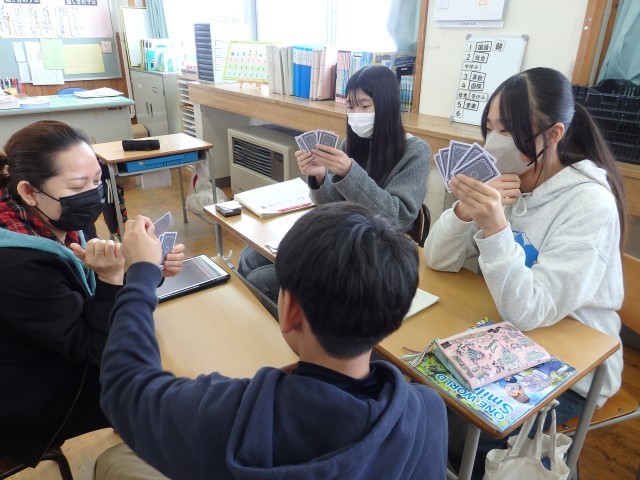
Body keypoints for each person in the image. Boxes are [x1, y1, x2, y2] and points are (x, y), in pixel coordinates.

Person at [95, 202, 448, 480]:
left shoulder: (226, 417)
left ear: (290, 310)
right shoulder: (429, 412)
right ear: (395, 315)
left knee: (114, 462)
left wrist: (140, 274)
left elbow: (125, 386)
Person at [424, 67, 626, 478]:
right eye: (489, 127)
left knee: (460, 431)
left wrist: (496, 228)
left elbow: (530, 310)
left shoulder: (589, 204)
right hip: (506, 335)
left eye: (507, 130)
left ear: (553, 135)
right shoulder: (507, 181)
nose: (492, 141)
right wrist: (463, 211)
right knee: (420, 395)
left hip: (574, 366)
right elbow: (437, 259)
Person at [0, 120, 185, 467]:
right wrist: (117, 277)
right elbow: (92, 347)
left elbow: (89, 283)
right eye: (78, 185)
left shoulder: (62, 215)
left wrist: (146, 269)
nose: (94, 193)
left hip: (60, 348)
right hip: (35, 394)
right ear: (28, 191)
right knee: (155, 389)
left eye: (98, 180)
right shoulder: (16, 265)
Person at [238, 65, 431, 303]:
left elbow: (398, 218)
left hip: (375, 254)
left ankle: (295, 325)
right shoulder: (351, 142)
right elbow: (331, 206)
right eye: (351, 106)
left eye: (364, 106)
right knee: (250, 257)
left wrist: (350, 172)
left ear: (387, 106)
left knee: (261, 280)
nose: (356, 114)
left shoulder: (415, 151)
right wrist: (319, 177)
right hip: (341, 239)